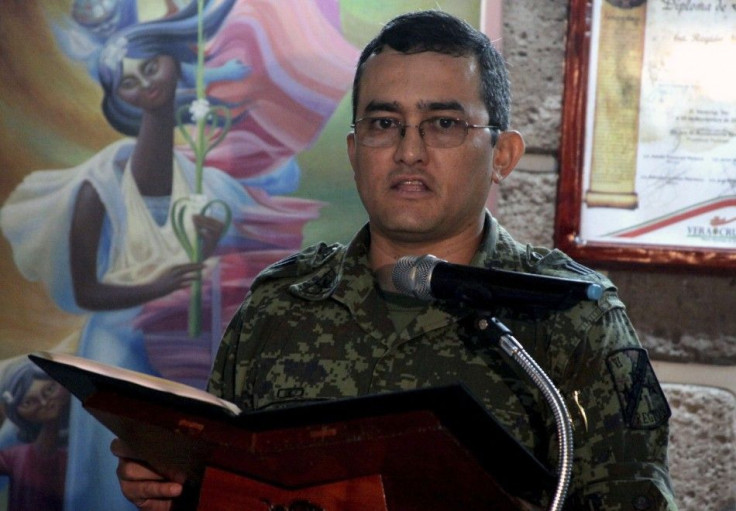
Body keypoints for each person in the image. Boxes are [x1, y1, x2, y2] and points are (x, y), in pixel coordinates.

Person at [112, 10, 677, 510]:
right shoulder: (280, 306)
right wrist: (175, 484)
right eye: (384, 124)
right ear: (356, 152)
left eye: (444, 124)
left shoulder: (571, 316)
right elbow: (231, 477)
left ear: (502, 155)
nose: (410, 150)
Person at [0, 361, 70, 511]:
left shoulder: (78, 448)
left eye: (50, 389)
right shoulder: (15, 456)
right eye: (28, 402)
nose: (44, 402)